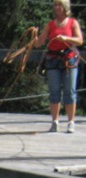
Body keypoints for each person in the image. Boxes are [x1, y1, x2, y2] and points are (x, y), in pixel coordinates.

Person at [35, 0, 83, 133]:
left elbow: (79, 40)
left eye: (59, 5)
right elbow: (39, 43)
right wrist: (34, 36)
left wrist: (66, 39)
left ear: (65, 7)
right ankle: (55, 122)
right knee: (54, 91)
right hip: (53, 60)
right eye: (55, 5)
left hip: (69, 60)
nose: (57, 7)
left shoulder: (72, 23)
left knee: (70, 91)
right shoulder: (50, 25)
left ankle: (71, 122)